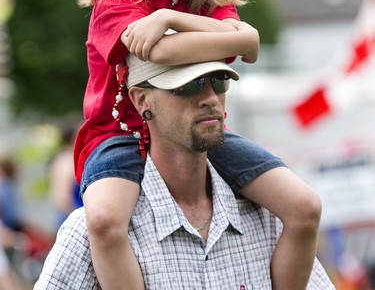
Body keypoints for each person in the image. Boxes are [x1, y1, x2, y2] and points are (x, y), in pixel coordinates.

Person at [73, 0, 321, 290]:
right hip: (119, 136)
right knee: (106, 221)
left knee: (304, 207)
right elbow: (168, 54)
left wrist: (171, 20)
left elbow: (249, 42)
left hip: (195, 130)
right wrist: (214, 34)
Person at [34, 56, 334, 289]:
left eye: (218, 81)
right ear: (141, 100)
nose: (210, 98)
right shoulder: (91, 233)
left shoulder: (269, 220)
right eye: (186, 85)